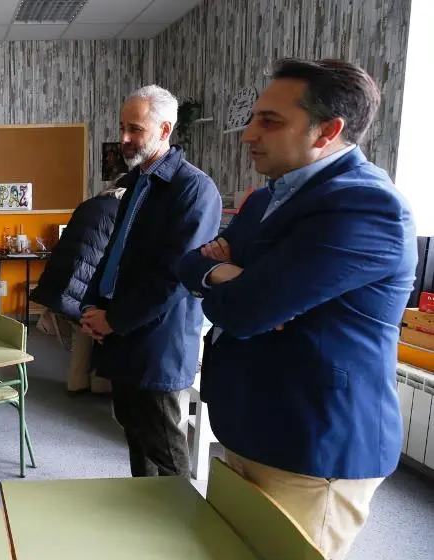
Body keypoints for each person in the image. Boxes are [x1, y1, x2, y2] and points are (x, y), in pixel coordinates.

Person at [178, 59, 415, 559]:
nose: (247, 135)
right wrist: (228, 274)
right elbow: (187, 264)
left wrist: (244, 284)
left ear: (328, 130)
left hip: (313, 444)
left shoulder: (367, 206)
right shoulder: (270, 198)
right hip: (256, 426)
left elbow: (247, 311)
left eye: (270, 121)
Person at [80, 85, 221, 478]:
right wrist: (94, 305)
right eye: (123, 127)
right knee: (134, 432)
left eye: (135, 129)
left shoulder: (193, 189)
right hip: (124, 332)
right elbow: (115, 254)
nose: (124, 138)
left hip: (158, 339)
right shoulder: (137, 183)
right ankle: (145, 513)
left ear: (165, 129)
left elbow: (173, 277)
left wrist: (114, 319)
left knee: (164, 445)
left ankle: (183, 530)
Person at [30, 183, 126, 395]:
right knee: (99, 331)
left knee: (82, 328)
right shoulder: (120, 211)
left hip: (68, 274)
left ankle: (77, 382)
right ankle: (100, 385)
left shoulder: (88, 205)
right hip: (89, 278)